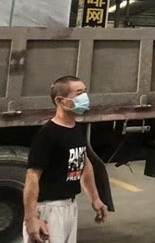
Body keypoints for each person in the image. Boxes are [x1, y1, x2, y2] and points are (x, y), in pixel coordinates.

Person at [24, 76, 107, 243]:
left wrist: (95, 198)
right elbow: (32, 177)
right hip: (49, 209)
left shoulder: (76, 128)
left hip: (70, 206)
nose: (84, 97)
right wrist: (31, 218)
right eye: (78, 93)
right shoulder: (47, 134)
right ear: (60, 101)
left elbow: (83, 164)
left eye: (85, 92)